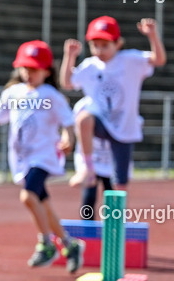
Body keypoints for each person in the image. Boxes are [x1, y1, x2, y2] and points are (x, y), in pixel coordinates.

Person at [0, 40, 84, 271]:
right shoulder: (14, 92)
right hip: (21, 158)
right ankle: (69, 244)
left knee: (28, 196)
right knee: (44, 205)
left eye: (34, 69)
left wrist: (68, 139)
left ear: (46, 71)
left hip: (43, 156)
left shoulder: (50, 95)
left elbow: (68, 122)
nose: (28, 73)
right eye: (25, 69)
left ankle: (46, 244)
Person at [62, 16, 166, 189]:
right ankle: (87, 169)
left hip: (124, 127)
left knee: (120, 185)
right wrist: (70, 56)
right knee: (83, 119)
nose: (99, 50)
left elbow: (158, 60)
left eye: (105, 45)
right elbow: (67, 83)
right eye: (95, 45)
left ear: (117, 44)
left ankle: (115, 215)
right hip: (101, 122)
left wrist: (153, 35)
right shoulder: (91, 66)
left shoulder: (130, 60)